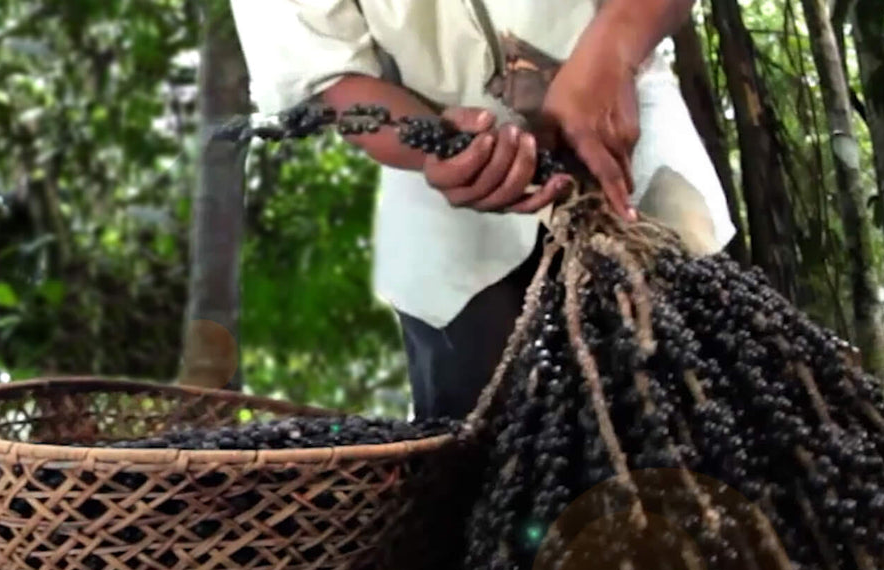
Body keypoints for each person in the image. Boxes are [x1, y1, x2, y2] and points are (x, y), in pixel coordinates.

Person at [230, 0, 736, 422]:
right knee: (482, 445)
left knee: (697, 399)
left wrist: (617, 45)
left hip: (622, 120)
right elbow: (330, 76)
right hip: (447, 189)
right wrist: (436, 146)